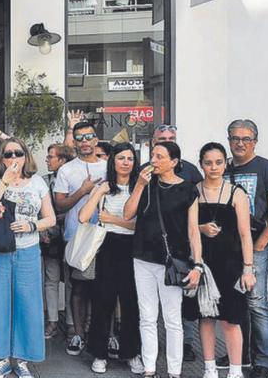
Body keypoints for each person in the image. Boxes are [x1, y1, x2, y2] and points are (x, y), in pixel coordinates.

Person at [123, 141, 203, 378]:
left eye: (159, 156)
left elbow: (193, 230)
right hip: (143, 257)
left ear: (174, 162)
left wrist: (197, 264)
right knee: (146, 316)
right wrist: (138, 185)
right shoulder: (146, 185)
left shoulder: (188, 189)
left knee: (172, 318)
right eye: (152, 156)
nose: (153, 161)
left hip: (173, 261)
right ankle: (149, 369)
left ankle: (174, 371)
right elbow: (127, 214)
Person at [0, 138, 56, 378]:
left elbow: (50, 218)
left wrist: (31, 225)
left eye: (18, 153)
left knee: (28, 304)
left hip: (28, 250)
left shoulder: (38, 183)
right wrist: (5, 181)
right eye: (8, 154)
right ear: (1, 158)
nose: (14, 159)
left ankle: (22, 359)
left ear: (26, 156)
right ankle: (1, 358)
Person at [217, 119, 268, 378]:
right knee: (235, 302)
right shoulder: (223, 168)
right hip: (227, 247)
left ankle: (263, 361)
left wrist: (261, 244)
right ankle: (240, 354)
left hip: (255, 244)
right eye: (235, 138)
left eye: (246, 138)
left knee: (257, 303)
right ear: (228, 139)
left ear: (255, 141)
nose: (240, 143)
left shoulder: (267, 168)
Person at [186, 142, 256, 378]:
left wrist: (248, 268)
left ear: (224, 163)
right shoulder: (193, 191)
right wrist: (201, 228)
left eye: (218, 162)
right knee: (205, 317)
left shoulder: (237, 193)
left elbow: (246, 234)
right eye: (208, 162)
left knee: (231, 319)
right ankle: (209, 368)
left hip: (231, 263)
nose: (213, 167)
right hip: (203, 262)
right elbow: (186, 228)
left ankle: (235, 371)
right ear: (201, 164)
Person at [78, 143, 144, 374]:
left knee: (131, 304)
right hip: (107, 246)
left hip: (134, 248)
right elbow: (83, 217)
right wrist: (97, 192)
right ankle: (99, 354)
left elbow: (142, 226)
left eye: (130, 158)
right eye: (121, 158)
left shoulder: (140, 187)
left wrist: (112, 219)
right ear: (112, 161)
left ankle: (131, 352)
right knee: (103, 302)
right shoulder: (105, 187)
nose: (126, 162)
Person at [53, 121, 106, 356]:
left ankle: (105, 335)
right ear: (74, 142)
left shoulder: (108, 167)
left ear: (96, 140)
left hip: (106, 235)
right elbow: (59, 204)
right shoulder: (66, 170)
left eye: (89, 137)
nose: (85, 142)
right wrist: (83, 191)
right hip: (77, 236)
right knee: (79, 287)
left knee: (105, 289)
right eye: (80, 138)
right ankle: (78, 334)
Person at [150, 124, 202, 360]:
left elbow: (196, 213)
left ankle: (187, 344)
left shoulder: (190, 171)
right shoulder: (145, 173)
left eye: (172, 138)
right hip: (150, 252)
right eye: (162, 138)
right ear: (153, 142)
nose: (167, 140)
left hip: (181, 250)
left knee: (185, 303)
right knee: (151, 309)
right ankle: (153, 350)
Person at [41, 143, 74, 339]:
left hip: (71, 235)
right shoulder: (45, 181)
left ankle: (71, 323)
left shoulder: (73, 180)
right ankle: (52, 321)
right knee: (51, 279)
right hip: (51, 236)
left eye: (51, 156)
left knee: (72, 281)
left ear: (63, 160)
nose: (47, 159)